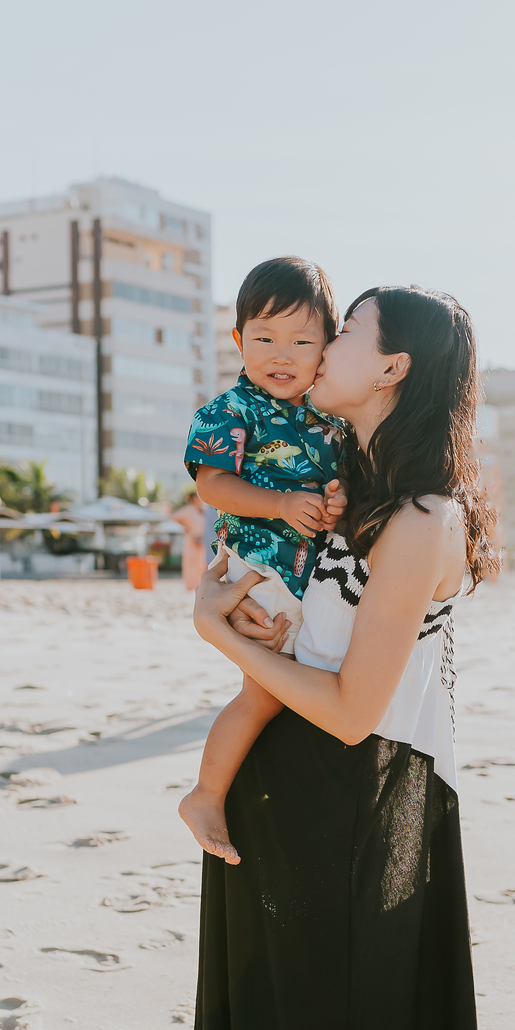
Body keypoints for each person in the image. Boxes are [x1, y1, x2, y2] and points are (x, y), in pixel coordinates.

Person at [178, 285, 501, 1030]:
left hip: (372, 805)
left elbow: (357, 710)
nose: (324, 346)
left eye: (350, 331)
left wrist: (218, 634)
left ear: (396, 366)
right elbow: (310, 644)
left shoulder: (422, 514)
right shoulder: (340, 490)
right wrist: (249, 620)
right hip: (284, 811)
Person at [179, 257, 347, 863]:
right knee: (265, 693)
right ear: (238, 340)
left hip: (317, 575)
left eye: (302, 340)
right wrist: (279, 503)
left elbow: (340, 488)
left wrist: (337, 500)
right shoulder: (232, 410)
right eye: (264, 338)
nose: (282, 353)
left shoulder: (334, 419)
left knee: (312, 686)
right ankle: (207, 793)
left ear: (327, 344)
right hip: (261, 569)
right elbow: (213, 486)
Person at [171, 488, 208, 592]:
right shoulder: (188, 509)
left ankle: (200, 583)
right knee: (191, 561)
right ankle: (191, 584)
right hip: (191, 538)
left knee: (202, 561)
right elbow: (174, 516)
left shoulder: (203, 509)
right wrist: (186, 526)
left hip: (203, 539)